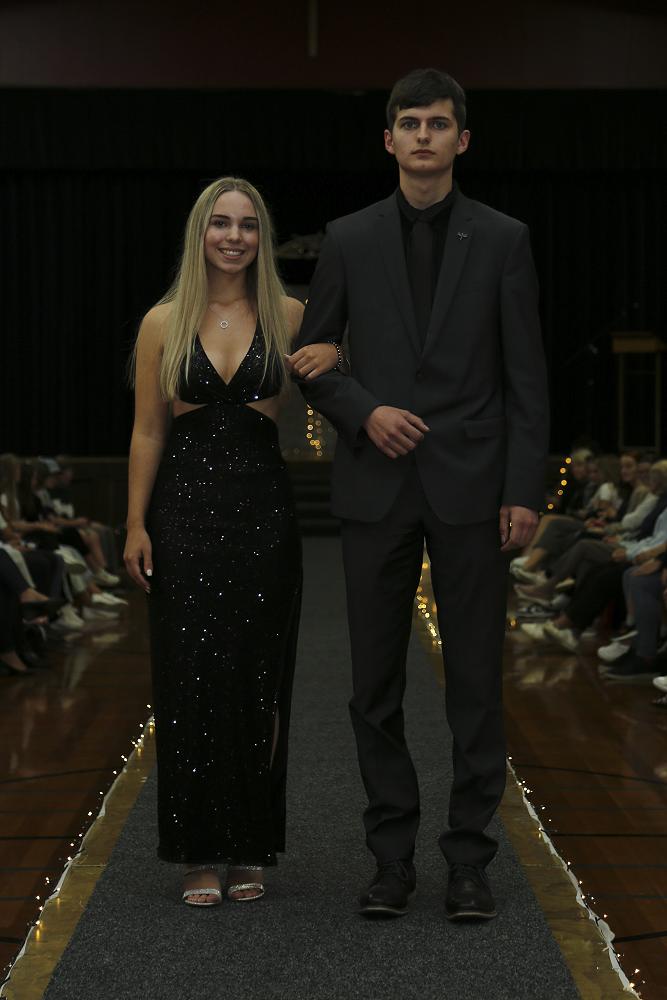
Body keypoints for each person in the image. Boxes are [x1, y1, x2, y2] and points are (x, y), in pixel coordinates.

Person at [291, 68, 549, 920]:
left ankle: (468, 859)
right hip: (375, 486)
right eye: (410, 123)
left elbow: (526, 376)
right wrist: (365, 411)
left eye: (439, 124)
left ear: (461, 140)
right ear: (389, 139)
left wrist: (524, 489)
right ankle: (390, 859)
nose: (424, 136)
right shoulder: (348, 237)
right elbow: (314, 360)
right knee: (373, 686)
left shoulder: (504, 238)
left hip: (474, 488)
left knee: (474, 683)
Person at [124, 177, 338, 906]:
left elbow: (339, 390)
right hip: (181, 516)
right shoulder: (162, 322)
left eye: (247, 225)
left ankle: (248, 844)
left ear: (261, 238)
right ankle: (196, 849)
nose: (234, 236)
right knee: (188, 681)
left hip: (263, 516)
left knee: (257, 679)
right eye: (221, 223)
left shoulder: (290, 315)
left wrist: (341, 360)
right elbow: (147, 429)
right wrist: (134, 524)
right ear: (201, 233)